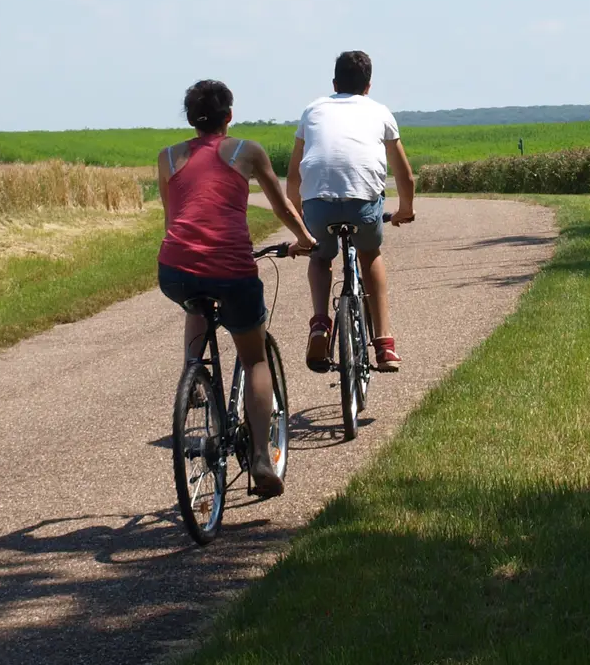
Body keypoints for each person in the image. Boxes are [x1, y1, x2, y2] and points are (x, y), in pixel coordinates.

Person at [157, 79, 316, 498]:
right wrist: (305, 239)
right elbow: (281, 205)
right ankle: (262, 459)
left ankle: (193, 374)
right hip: (231, 268)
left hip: (174, 267)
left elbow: (173, 215)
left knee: (196, 299)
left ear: (191, 119)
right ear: (229, 116)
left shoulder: (168, 157)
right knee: (255, 358)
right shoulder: (248, 151)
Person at [287, 50, 416, 375]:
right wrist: (404, 210)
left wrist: (299, 226)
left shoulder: (313, 110)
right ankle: (384, 344)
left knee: (319, 257)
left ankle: (319, 323)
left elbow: (293, 177)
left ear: (334, 83)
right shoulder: (380, 112)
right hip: (363, 201)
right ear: (368, 86)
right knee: (370, 254)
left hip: (318, 201)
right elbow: (405, 176)